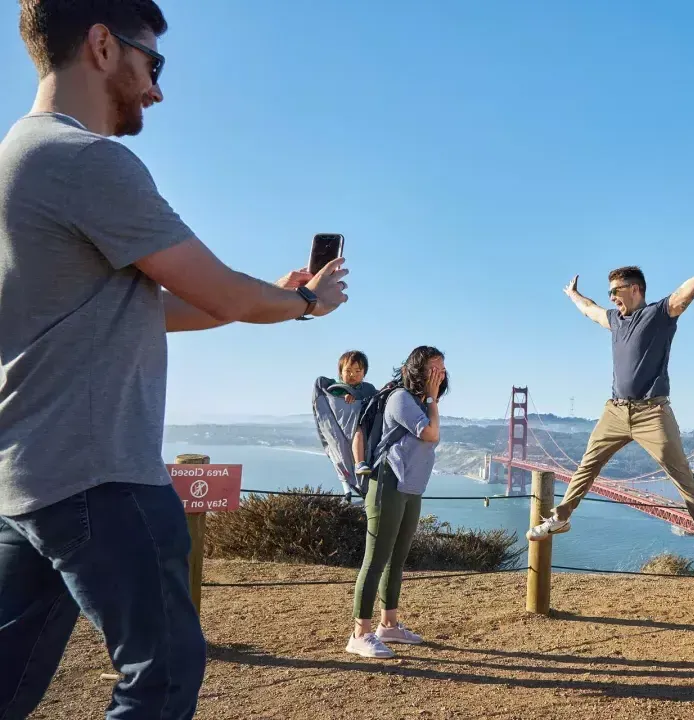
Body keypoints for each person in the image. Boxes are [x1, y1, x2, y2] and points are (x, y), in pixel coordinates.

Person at [0, 3, 348, 719]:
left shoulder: (17, 162)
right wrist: (308, 306)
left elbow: (164, 305)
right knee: (160, 677)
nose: (157, 89)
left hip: (25, 480)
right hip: (101, 477)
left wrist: (269, 299)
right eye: (152, 64)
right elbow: (214, 286)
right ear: (101, 45)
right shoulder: (85, 160)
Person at [526, 225, 694, 591]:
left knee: (686, 483)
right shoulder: (614, 320)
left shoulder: (661, 314)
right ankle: (560, 518)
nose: (612, 298)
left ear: (636, 289)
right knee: (586, 467)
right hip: (614, 411)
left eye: (617, 291)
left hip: (653, 413)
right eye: (609, 292)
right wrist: (574, 295)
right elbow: (589, 310)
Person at [347, 346, 447, 659]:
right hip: (387, 485)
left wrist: (432, 397)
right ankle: (359, 634)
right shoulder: (402, 399)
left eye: (442, 368)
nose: (440, 374)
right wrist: (432, 397)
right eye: (434, 368)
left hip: (410, 488)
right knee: (375, 559)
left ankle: (388, 624)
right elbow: (430, 434)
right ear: (419, 371)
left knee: (397, 558)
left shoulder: (420, 401)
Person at [312, 351, 379, 498]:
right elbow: (333, 396)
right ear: (340, 372)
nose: (352, 375)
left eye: (357, 371)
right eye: (347, 371)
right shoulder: (338, 387)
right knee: (358, 432)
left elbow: (378, 397)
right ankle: (359, 463)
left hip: (368, 426)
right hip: (350, 428)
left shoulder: (368, 388)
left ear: (364, 373)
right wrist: (344, 396)